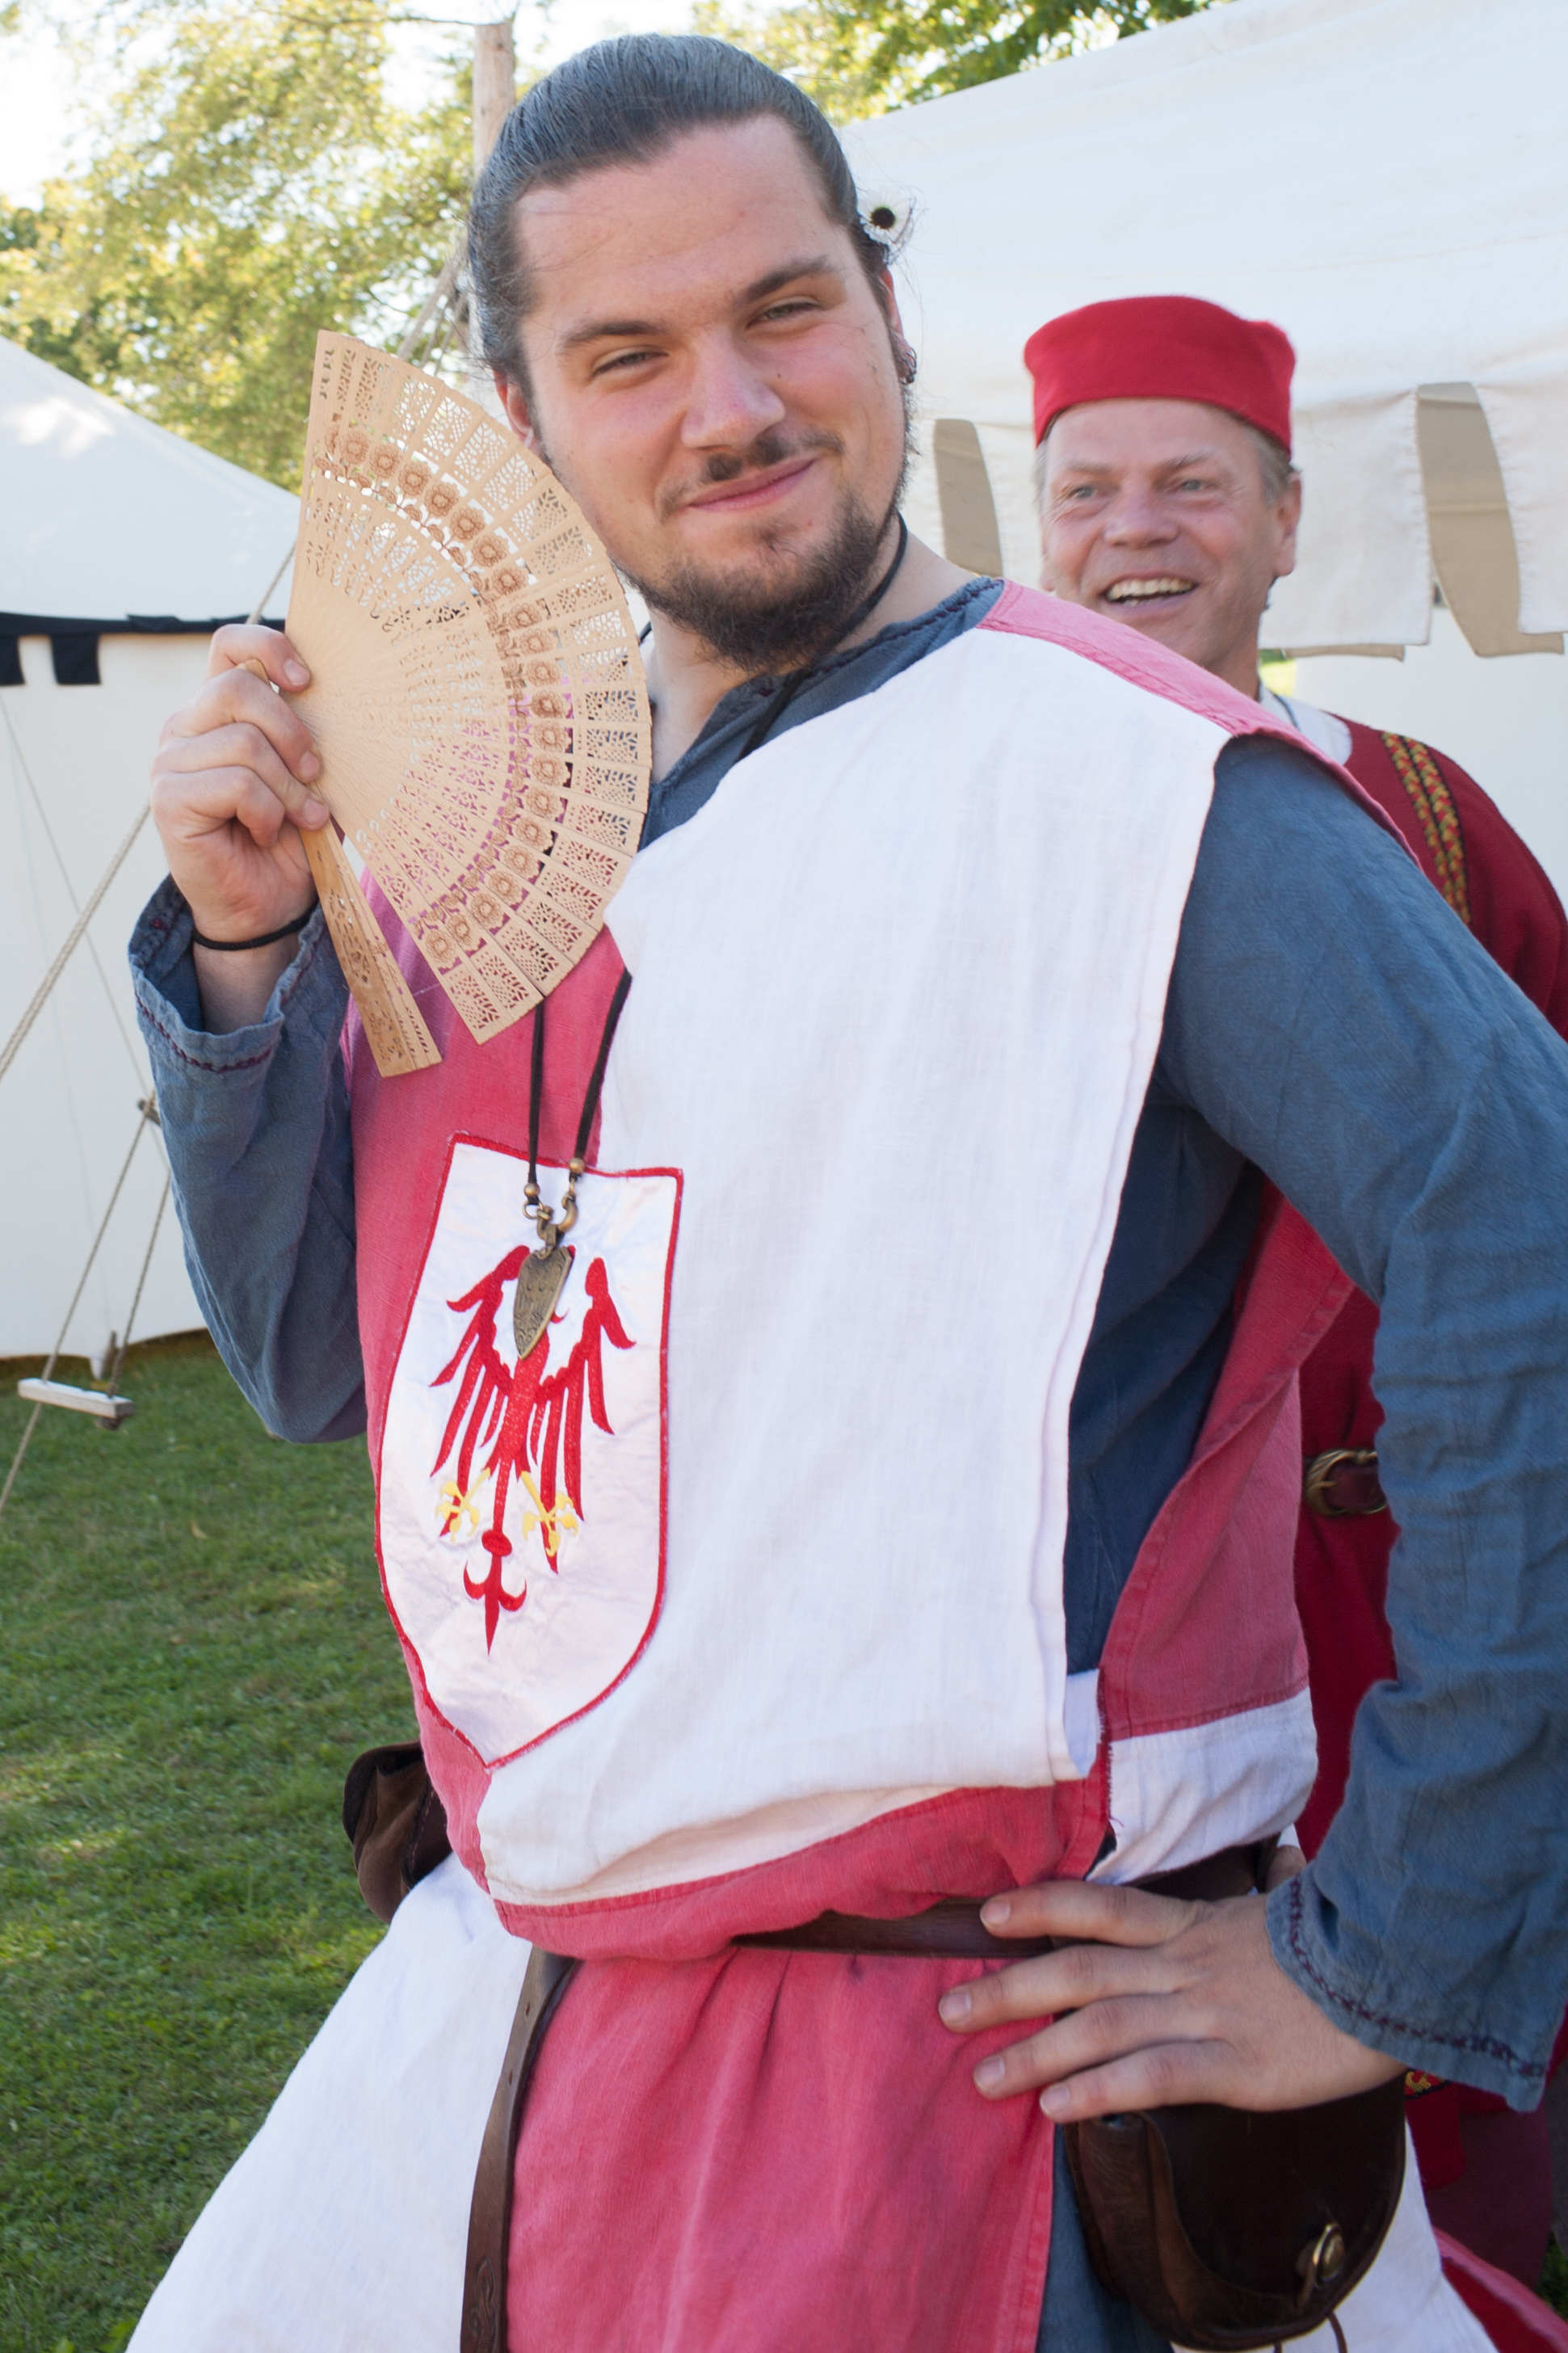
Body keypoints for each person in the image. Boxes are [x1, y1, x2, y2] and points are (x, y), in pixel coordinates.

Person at [125, 39, 1568, 2353]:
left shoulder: (1127, 788)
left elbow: (1528, 1246)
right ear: (519, 414)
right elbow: (317, 1365)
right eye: (626, 354)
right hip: (522, 2033)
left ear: (885, 317)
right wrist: (239, 955)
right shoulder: (492, 839)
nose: (731, 408)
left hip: (970, 2102)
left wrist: (1387, 1948)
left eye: (783, 309)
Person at [1028, 291, 1568, 2287]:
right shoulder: (978, 825)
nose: (1132, 528)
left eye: (1187, 483)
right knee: (1144, 2131)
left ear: (1279, 517)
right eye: (1084, 489)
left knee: (1453, 2119)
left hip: (1424, 1586)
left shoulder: (1417, 811)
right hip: (1140, 1616)